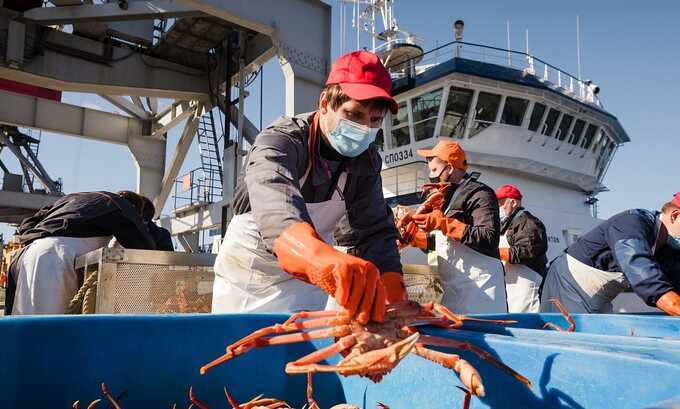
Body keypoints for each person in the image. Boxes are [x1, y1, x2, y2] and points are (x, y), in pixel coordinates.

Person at [211, 50, 406, 324]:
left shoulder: (366, 161)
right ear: (324, 103)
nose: (364, 128)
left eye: (374, 121)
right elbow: (277, 211)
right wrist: (319, 259)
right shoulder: (279, 142)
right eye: (354, 114)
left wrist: (391, 286)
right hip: (251, 275)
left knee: (307, 356)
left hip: (311, 283)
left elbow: (374, 232)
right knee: (243, 352)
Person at [398, 140, 507, 313]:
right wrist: (417, 240)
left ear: (449, 168)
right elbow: (444, 246)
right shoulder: (446, 197)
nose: (431, 175)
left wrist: (443, 223)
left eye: (434, 170)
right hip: (451, 290)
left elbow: (488, 237)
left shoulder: (480, 193)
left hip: (480, 289)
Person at [5, 190, 156, 315]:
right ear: (134, 209)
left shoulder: (73, 198)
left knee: (24, 324)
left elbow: (28, 224)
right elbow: (145, 247)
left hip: (27, 255)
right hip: (56, 259)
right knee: (52, 330)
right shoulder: (119, 203)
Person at [540, 193, 680, 315]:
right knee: (572, 338)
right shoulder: (632, 224)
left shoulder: (667, 248)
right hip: (569, 281)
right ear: (675, 216)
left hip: (599, 294)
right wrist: (673, 305)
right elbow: (641, 271)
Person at [495, 184, 547, 313]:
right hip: (510, 284)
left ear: (513, 202)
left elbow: (527, 252)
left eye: (500, 203)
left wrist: (493, 252)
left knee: (523, 318)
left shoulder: (529, 222)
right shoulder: (509, 223)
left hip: (525, 284)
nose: (497, 207)